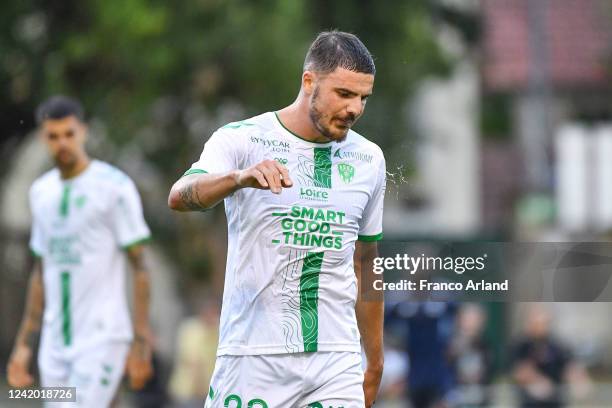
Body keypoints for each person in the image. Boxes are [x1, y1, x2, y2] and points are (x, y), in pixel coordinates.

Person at [168, 30, 386, 408]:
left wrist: (375, 359)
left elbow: (366, 263)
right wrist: (238, 179)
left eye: (363, 97)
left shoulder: (369, 159)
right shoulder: (243, 140)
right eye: (345, 94)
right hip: (254, 356)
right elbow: (180, 196)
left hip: (336, 358)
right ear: (308, 82)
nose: (355, 109)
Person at [6, 95, 154, 407]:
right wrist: (23, 344)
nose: (62, 143)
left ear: (83, 131)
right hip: (55, 344)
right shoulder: (40, 192)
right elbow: (41, 270)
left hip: (103, 336)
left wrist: (141, 341)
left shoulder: (114, 186)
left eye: (69, 134)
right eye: (53, 136)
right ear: (43, 137)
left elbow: (140, 267)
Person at [511, 305, 590, 408]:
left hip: (555, 402)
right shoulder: (520, 345)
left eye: (543, 323)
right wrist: (537, 381)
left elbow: (570, 366)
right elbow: (519, 371)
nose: (540, 326)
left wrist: (579, 381)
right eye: (536, 322)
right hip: (529, 403)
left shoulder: (557, 345)